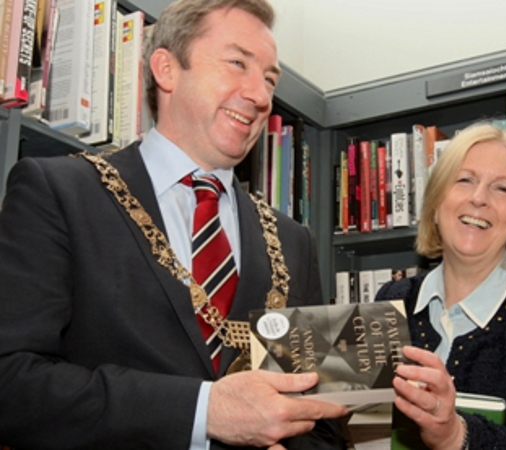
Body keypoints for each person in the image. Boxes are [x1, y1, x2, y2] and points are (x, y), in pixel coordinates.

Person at [0, 0, 349, 448]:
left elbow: (321, 417)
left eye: (268, 79)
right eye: (237, 63)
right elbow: (11, 381)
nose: (261, 97)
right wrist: (204, 411)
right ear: (165, 69)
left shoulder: (293, 241)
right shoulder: (60, 192)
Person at [376, 122, 506, 449]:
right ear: (436, 202)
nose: (479, 199)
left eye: (502, 189)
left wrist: (454, 435)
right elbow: (365, 429)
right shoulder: (391, 301)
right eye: (465, 180)